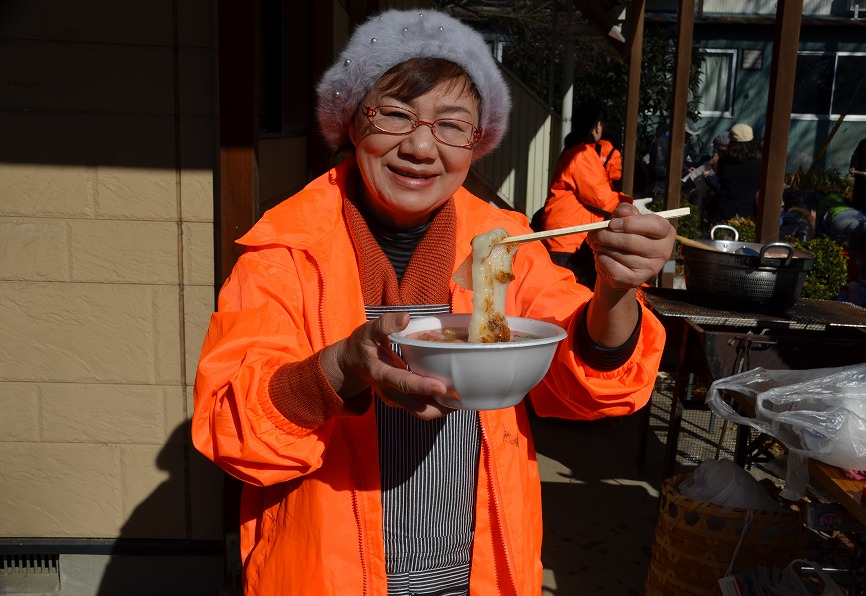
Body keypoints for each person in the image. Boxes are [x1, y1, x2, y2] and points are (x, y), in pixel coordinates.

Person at [190, 9, 675, 596]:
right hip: (326, 572)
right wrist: (343, 366)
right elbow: (229, 429)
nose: (421, 146)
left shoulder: (504, 246)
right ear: (351, 121)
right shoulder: (285, 253)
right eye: (394, 114)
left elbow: (587, 382)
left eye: (452, 125)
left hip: (476, 572)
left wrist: (616, 290)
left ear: (477, 142)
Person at [540, 102, 632, 279]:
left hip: (564, 237)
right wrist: (631, 205)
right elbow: (602, 199)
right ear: (596, 126)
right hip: (568, 240)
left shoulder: (574, 150)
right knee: (571, 298)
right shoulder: (582, 154)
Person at [705, 123, 763, 224]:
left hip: (722, 212)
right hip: (747, 213)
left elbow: (724, 187)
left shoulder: (724, 163)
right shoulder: (759, 165)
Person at [646, 119, 701, 200]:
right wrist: (680, 172)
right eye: (687, 135)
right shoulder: (661, 142)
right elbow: (658, 169)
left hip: (673, 186)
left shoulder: (683, 144)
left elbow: (680, 161)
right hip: (659, 187)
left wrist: (687, 169)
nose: (688, 138)